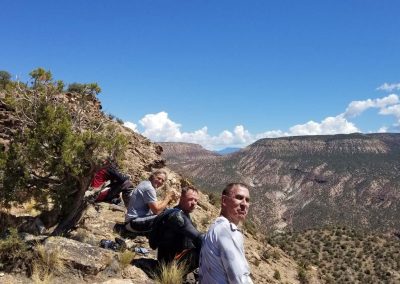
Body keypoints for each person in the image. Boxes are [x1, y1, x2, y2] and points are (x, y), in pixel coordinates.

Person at [199, 183, 253, 284]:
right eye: (239, 197)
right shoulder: (227, 231)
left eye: (247, 200)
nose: (244, 204)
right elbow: (239, 279)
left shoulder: (216, 227)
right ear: (224, 201)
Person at [151, 186, 203, 273]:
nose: (194, 203)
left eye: (196, 200)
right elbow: (198, 237)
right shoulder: (177, 217)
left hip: (171, 260)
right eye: (190, 199)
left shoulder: (180, 212)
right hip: (169, 266)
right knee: (205, 251)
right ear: (181, 198)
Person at [124, 169, 177, 233]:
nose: (160, 181)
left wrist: (165, 201)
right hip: (134, 222)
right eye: (159, 178)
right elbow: (156, 211)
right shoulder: (149, 188)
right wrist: (167, 198)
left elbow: (154, 204)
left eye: (162, 180)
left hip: (131, 221)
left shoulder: (145, 183)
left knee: (166, 210)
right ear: (153, 176)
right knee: (165, 216)